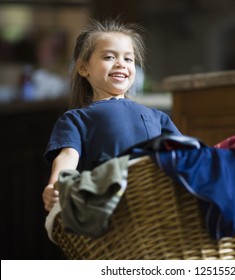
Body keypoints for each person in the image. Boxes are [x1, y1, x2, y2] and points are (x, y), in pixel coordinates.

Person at [42, 18, 181, 211]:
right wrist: (55, 184)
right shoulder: (75, 119)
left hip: (155, 207)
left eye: (128, 59)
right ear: (83, 68)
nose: (121, 64)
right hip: (107, 208)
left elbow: (184, 155)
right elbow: (67, 155)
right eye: (109, 57)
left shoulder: (157, 117)